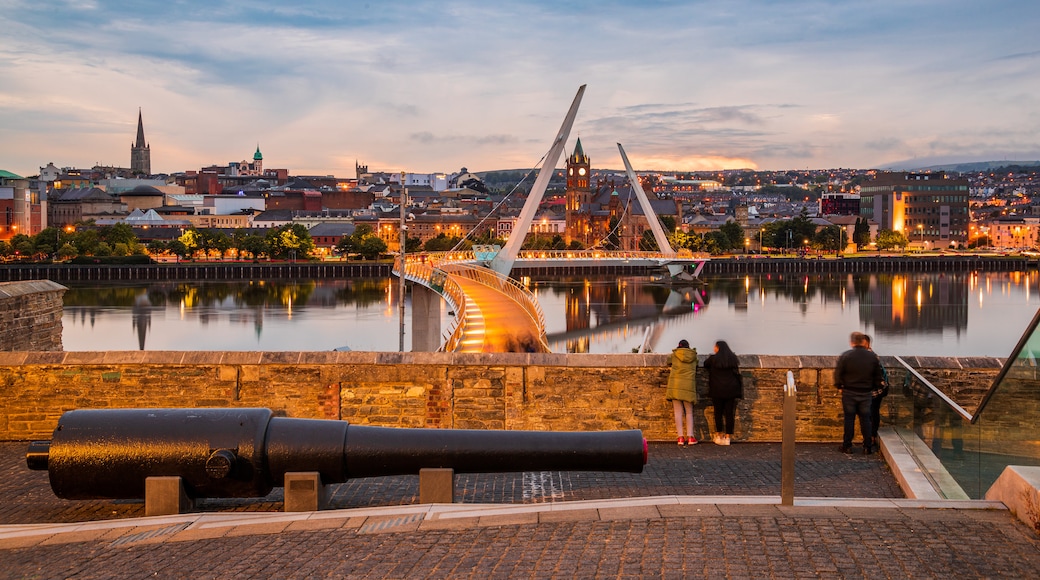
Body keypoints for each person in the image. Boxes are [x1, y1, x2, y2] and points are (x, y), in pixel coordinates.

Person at [834, 331, 885, 454]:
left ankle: (847, 445)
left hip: (849, 392)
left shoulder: (846, 356)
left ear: (852, 342)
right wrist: (872, 386)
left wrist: (839, 386)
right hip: (866, 392)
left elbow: (838, 374)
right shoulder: (872, 357)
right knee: (865, 419)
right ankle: (867, 446)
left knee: (849, 419)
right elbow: (878, 377)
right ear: (863, 342)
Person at [703, 340, 742, 446]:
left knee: (718, 413)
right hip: (731, 389)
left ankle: (719, 435)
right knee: (729, 413)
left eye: (715, 347)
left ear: (718, 348)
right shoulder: (732, 359)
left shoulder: (713, 359)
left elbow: (705, 364)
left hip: (717, 389)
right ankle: (728, 436)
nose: (713, 348)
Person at [666, 339, 698, 446]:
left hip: (675, 386)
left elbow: (668, 361)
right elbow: (697, 363)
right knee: (689, 412)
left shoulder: (674, 355)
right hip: (688, 386)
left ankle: (680, 437)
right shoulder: (693, 357)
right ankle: (690, 437)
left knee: (678, 412)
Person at [863, 334, 889, 446]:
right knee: (874, 412)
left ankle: (871, 437)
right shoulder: (873, 355)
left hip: (873, 390)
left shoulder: (868, 356)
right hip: (877, 389)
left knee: (870, 413)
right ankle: (872, 436)